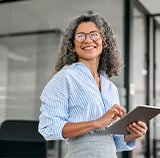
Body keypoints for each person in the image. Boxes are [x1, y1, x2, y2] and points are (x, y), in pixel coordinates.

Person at [38, 13, 148, 158]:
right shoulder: (65, 78)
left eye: (94, 34)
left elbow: (113, 140)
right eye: (80, 36)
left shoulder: (110, 88)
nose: (88, 40)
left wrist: (130, 135)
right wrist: (97, 123)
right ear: (72, 46)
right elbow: (49, 128)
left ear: (104, 42)